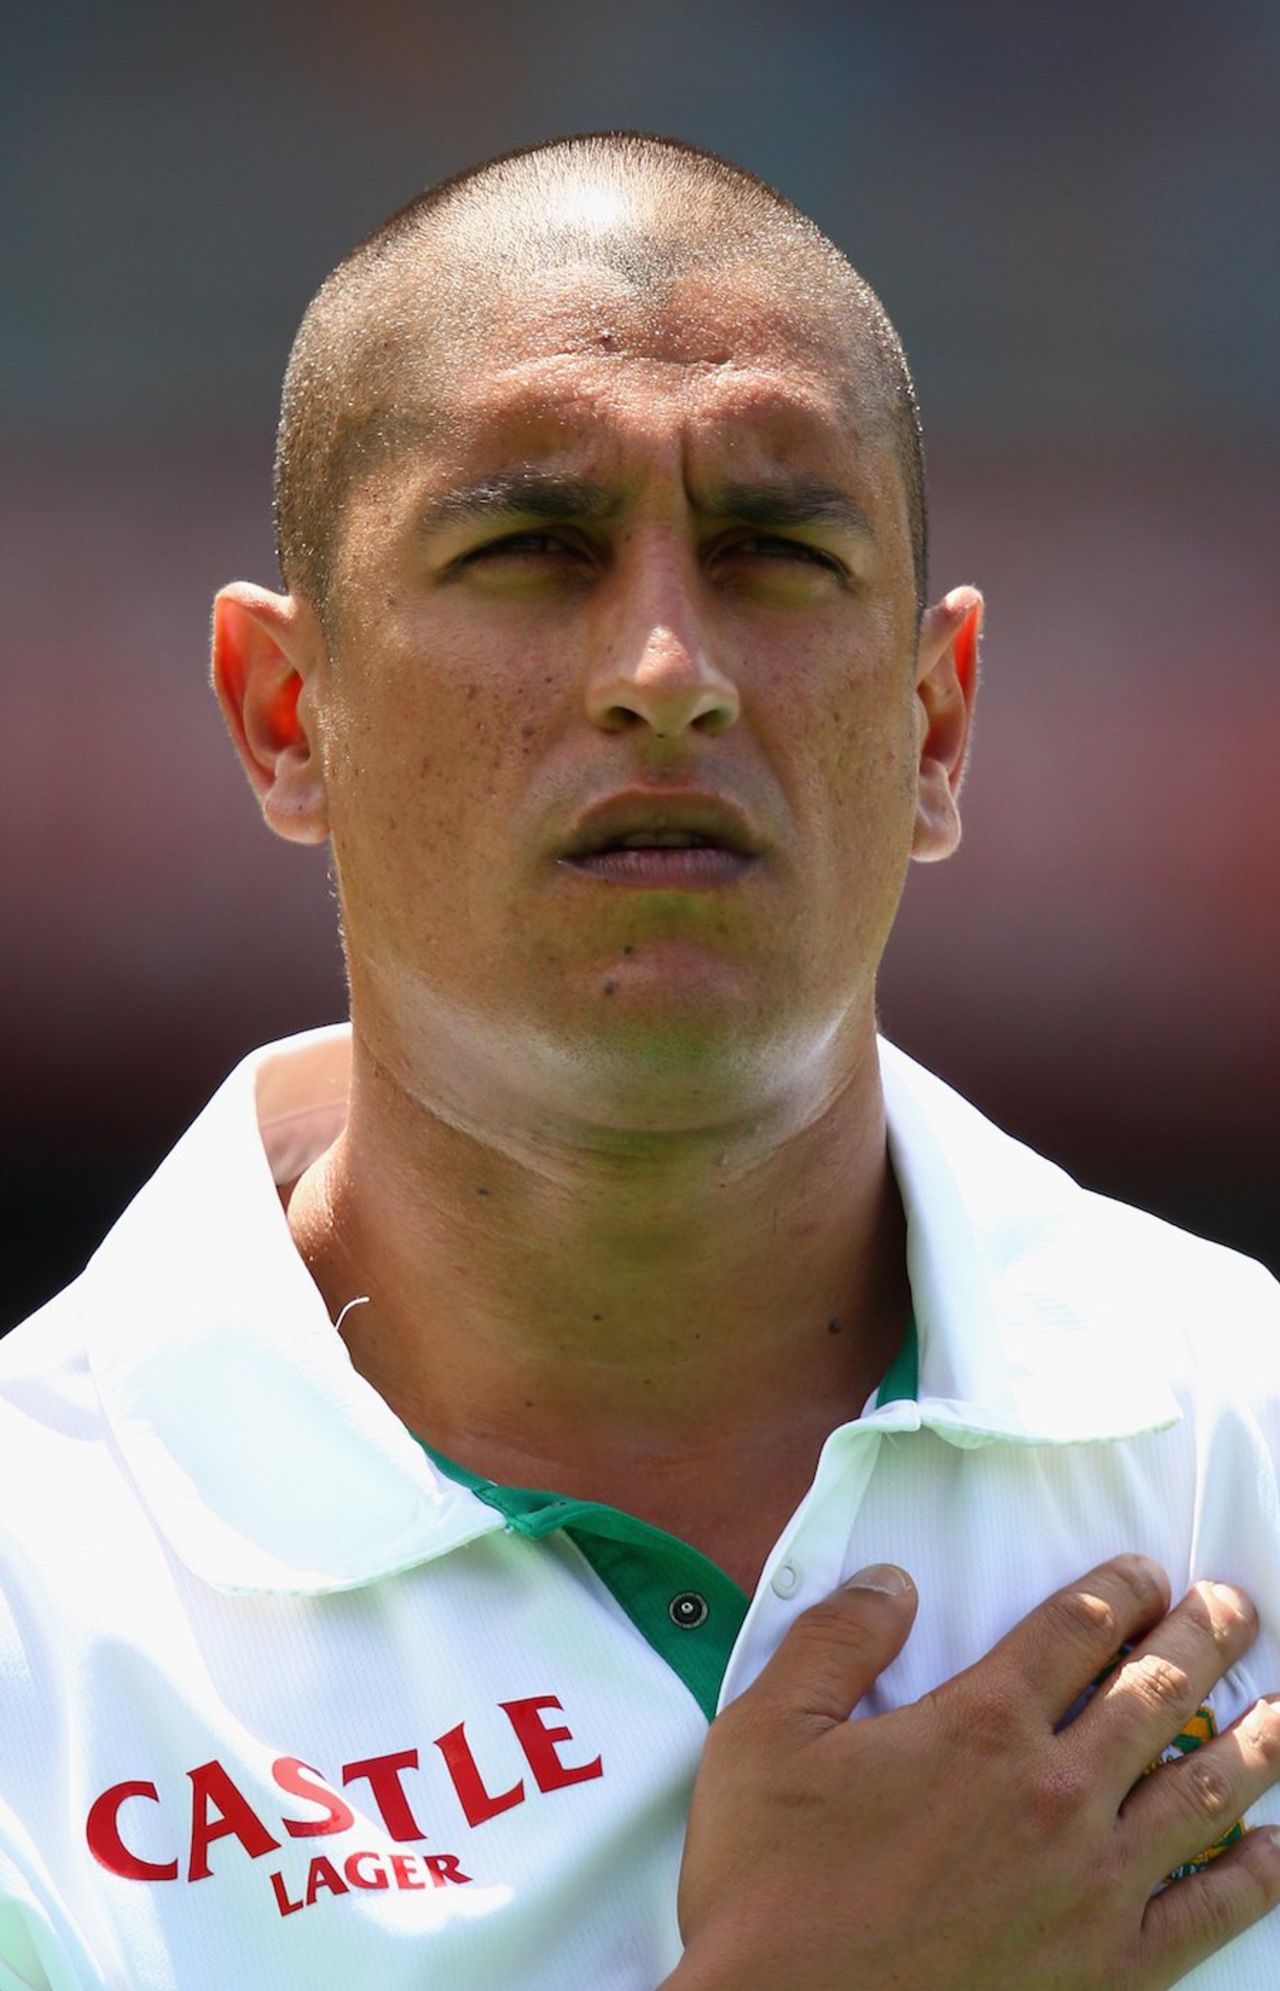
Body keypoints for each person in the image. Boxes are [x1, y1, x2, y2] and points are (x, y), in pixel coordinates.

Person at [2, 131, 1279, 1991]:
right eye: (531, 547)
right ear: (290, 716)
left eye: (776, 548)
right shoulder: (36, 1592)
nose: (668, 665)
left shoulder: (1246, 1446)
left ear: (936, 724)